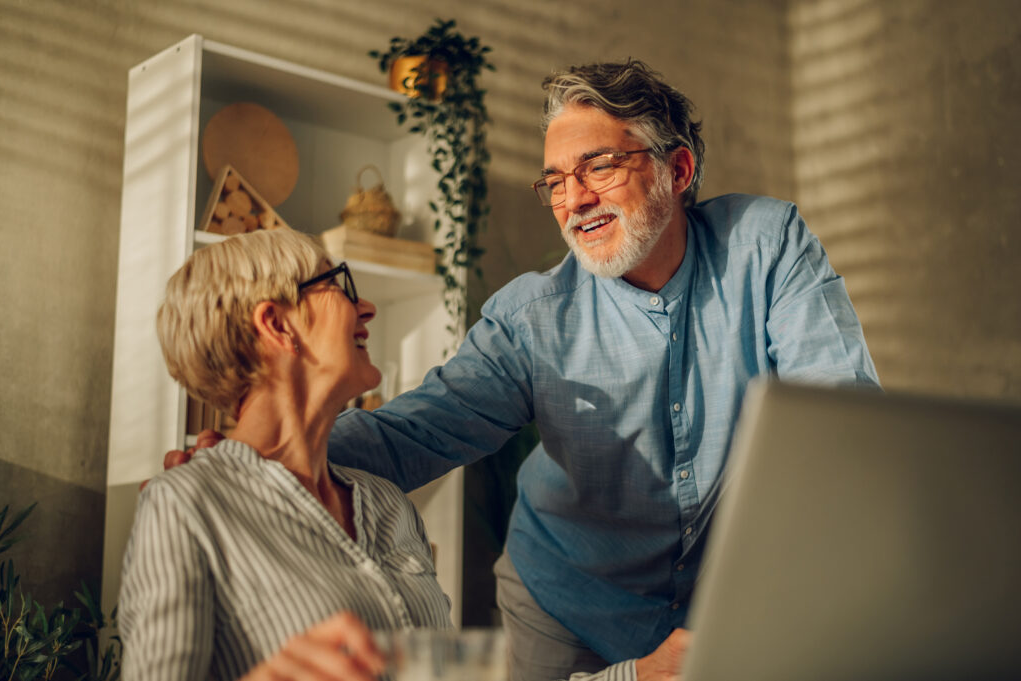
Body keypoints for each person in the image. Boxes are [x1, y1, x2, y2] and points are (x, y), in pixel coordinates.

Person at [168, 60, 880, 680]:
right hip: (562, 608)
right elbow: (415, 433)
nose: (574, 199)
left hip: (723, 610)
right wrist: (252, 459)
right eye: (556, 182)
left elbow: (839, 426)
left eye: (598, 165)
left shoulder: (769, 245)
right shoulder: (532, 316)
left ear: (679, 169)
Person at [118, 229, 452, 680]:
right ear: (277, 325)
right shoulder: (185, 504)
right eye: (339, 284)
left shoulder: (388, 503)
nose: (366, 307)